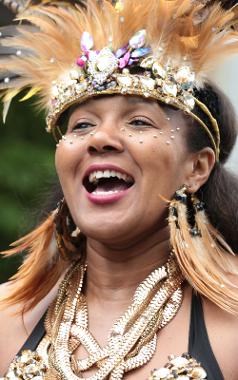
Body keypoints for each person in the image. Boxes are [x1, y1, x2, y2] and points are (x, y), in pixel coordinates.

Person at [0, 0, 238, 379]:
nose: (101, 138)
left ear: (197, 167)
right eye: (81, 126)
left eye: (139, 122)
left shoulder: (231, 325)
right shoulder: (6, 321)